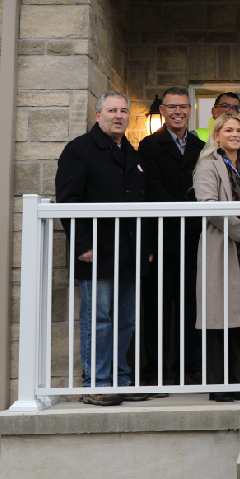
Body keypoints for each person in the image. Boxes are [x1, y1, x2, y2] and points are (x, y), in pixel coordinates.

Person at [56, 91, 152, 406]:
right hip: (96, 252)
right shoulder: (79, 150)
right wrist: (82, 244)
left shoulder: (133, 155)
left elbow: (145, 205)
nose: (118, 116)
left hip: (130, 252)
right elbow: (68, 200)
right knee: (99, 317)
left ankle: (121, 380)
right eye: (112, 110)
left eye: (124, 111)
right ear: (98, 115)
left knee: (127, 319)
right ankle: (97, 382)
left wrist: (147, 245)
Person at [137, 86, 205, 389]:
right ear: (162, 111)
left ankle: (187, 368)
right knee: (157, 307)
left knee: (191, 307)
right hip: (162, 239)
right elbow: (150, 187)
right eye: (172, 107)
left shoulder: (202, 146)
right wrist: (181, 208)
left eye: (183, 107)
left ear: (190, 110)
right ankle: (156, 371)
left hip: (193, 239)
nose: (178, 112)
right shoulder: (149, 145)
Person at [193, 113, 240, 403]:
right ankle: (221, 385)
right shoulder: (208, 166)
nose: (235, 134)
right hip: (223, 247)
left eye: (239, 130)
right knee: (221, 318)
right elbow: (208, 205)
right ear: (216, 135)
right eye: (228, 130)